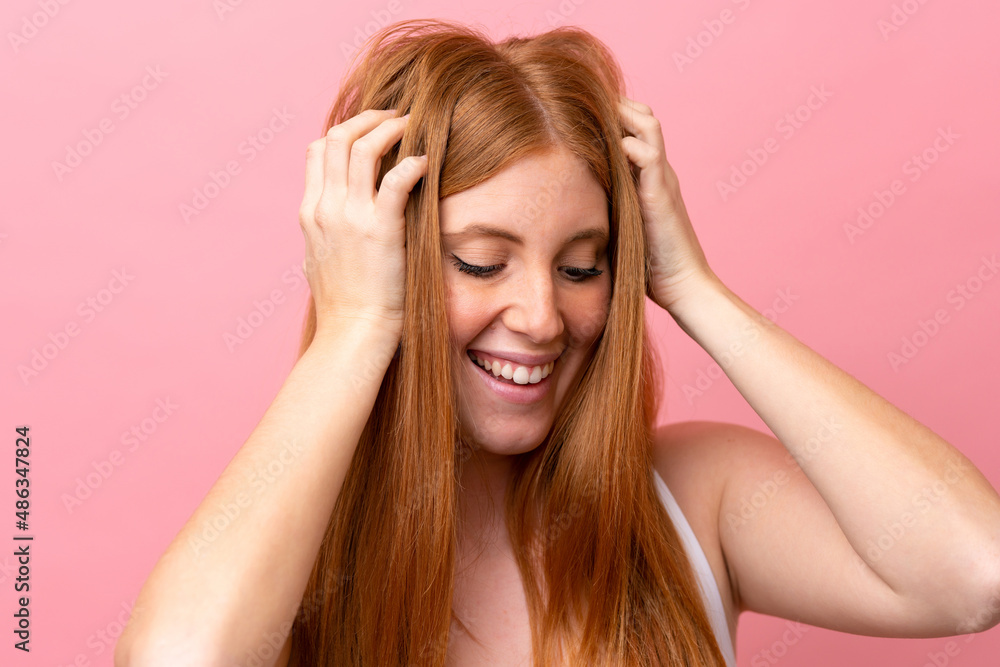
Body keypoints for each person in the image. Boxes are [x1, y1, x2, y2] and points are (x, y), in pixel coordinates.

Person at [115, 18, 1000, 667]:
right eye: (479, 262)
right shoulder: (292, 551)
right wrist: (356, 328)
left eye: (583, 268)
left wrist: (695, 291)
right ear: (381, 263)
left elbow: (975, 572)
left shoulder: (693, 500)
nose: (541, 316)